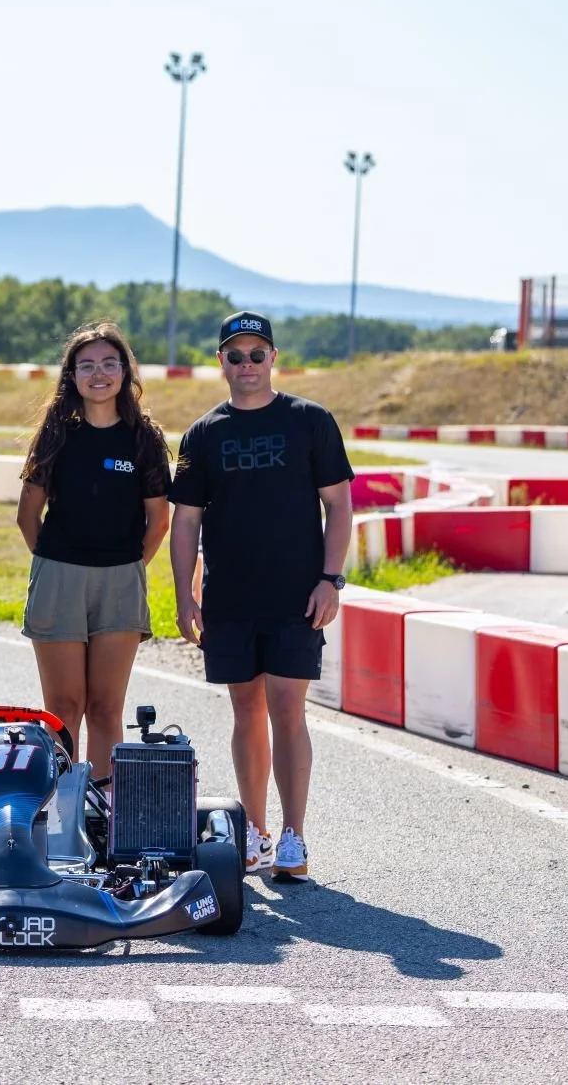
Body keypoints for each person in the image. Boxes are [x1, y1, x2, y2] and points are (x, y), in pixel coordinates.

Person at [169, 311, 354, 881]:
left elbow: (341, 505)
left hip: (298, 596)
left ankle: (294, 836)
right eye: (234, 355)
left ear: (273, 358)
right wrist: (183, 595)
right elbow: (186, 523)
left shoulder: (311, 421)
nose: (245, 364)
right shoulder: (203, 434)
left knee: (287, 710)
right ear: (220, 362)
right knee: (245, 711)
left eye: (256, 354)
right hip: (229, 597)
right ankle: (254, 830)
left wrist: (332, 579)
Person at [15, 323, 171, 779]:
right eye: (87, 365)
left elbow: (159, 520)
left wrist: (123, 566)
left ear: (125, 371)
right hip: (59, 577)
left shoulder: (144, 438)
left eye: (108, 363)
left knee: (106, 707)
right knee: (63, 707)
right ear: (72, 375)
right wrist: (56, 562)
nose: (98, 374)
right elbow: (28, 516)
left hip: (120, 580)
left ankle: (102, 812)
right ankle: (62, 811)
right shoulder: (56, 433)